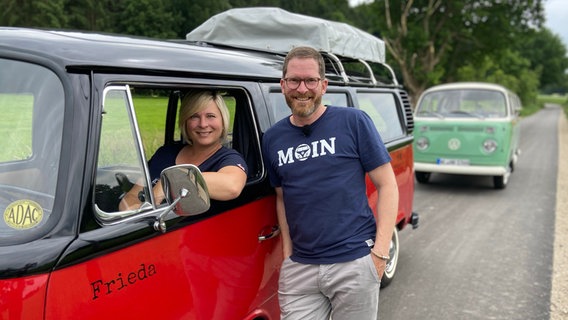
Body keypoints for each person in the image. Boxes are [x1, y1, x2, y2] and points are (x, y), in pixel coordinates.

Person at [261, 46, 399, 319]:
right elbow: (282, 197)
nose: (302, 88)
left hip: (354, 262)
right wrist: (288, 256)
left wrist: (380, 254)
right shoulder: (273, 138)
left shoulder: (354, 122)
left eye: (310, 80)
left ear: (324, 85)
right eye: (294, 80)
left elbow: (387, 185)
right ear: (283, 84)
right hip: (300, 269)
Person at [119, 90, 248, 211]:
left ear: (223, 121)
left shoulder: (229, 159)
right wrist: (135, 212)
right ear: (185, 121)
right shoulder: (164, 153)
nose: (203, 124)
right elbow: (131, 197)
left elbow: (232, 186)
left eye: (210, 116)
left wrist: (169, 183)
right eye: (194, 116)